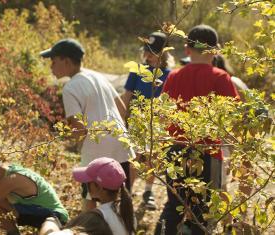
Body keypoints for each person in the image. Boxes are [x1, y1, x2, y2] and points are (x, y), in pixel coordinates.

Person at [155, 25, 240, 235]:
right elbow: (234, 116)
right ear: (215, 51)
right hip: (208, 152)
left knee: (173, 206)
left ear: (187, 49)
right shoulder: (220, 77)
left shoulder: (174, 76)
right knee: (203, 213)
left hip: (176, 149)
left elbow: (161, 114)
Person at [40, 39, 135, 211]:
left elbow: (79, 129)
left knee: (90, 197)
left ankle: (88, 228)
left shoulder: (70, 88)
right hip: (121, 141)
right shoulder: (98, 76)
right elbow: (121, 106)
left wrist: (71, 140)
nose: (51, 67)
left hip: (96, 147)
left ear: (67, 61)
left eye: (53, 62)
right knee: (120, 195)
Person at [122, 31, 175, 210]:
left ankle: (148, 191)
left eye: (153, 51)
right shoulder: (137, 71)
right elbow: (127, 97)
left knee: (153, 158)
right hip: (137, 120)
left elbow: (169, 101)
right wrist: (123, 118)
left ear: (163, 53)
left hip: (157, 123)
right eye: (147, 51)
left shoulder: (169, 75)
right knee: (134, 157)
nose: (148, 55)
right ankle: (127, 191)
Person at [40, 157, 135, 235]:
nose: (84, 184)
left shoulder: (95, 219)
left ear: (98, 187)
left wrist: (50, 222)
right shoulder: (126, 212)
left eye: (87, 182)